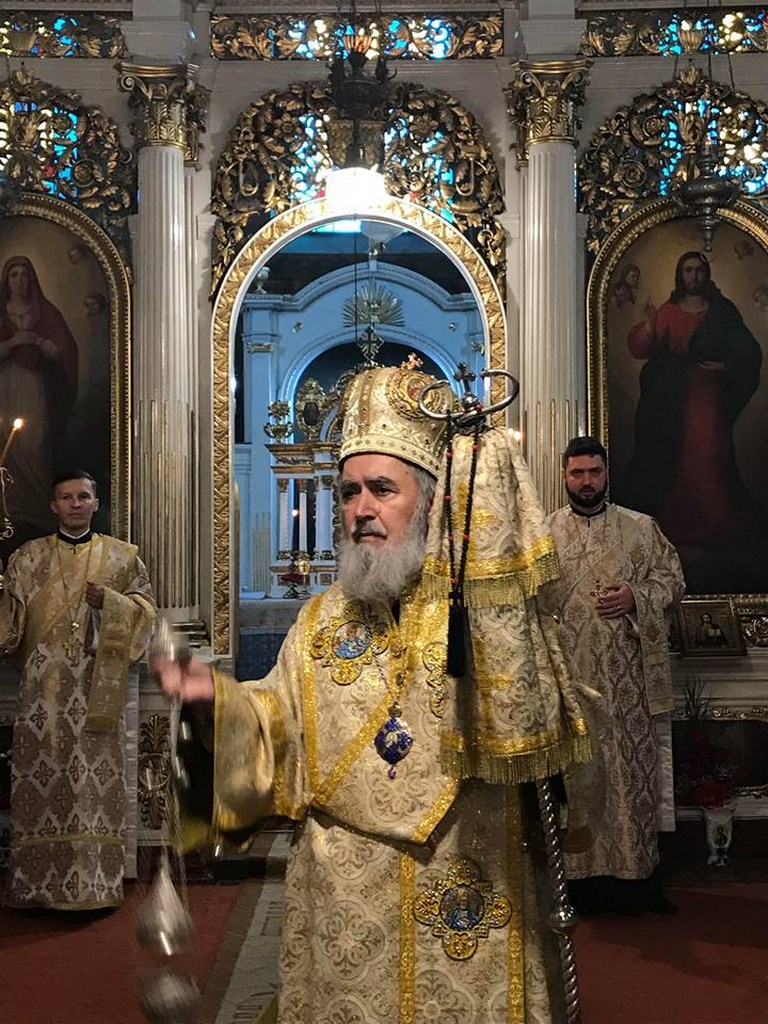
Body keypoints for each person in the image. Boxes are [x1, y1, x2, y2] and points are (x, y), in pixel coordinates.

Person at [154, 361, 593, 1024]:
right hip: (345, 897)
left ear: (433, 500)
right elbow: (276, 722)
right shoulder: (320, 620)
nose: (361, 509)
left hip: (470, 880)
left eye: (382, 489)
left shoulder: (488, 619)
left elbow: (556, 741)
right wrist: (218, 704)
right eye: (349, 491)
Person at [0, 470, 156, 910]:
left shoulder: (122, 558)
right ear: (54, 505)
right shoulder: (27, 558)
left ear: (95, 503)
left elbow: (146, 612)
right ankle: (38, 886)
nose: (75, 504)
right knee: (44, 780)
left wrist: (112, 602)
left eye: (83, 497)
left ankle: (95, 885)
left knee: (90, 785)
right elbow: (9, 627)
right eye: (66, 497)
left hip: (94, 690)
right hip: (42, 693)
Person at [542, 436, 685, 916]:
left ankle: (637, 884)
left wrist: (636, 597)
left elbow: (673, 580)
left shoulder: (641, 529)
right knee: (579, 780)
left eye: (594, 472)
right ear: (564, 476)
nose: (586, 482)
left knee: (628, 777)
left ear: (607, 474)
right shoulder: (544, 534)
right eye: (577, 473)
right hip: (570, 685)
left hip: (628, 687)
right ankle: (577, 886)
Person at [626, 251, 763, 583]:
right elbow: (640, 348)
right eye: (688, 270)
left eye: (699, 270)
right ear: (680, 274)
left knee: (711, 455)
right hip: (669, 400)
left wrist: (726, 366)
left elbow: (748, 351)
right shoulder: (669, 310)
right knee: (674, 457)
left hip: (708, 397)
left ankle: (717, 526)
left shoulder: (721, 311)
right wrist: (650, 324)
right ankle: (678, 528)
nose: (694, 276)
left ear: (707, 274)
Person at [0, 255, 79, 551]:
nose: (19, 280)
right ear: (6, 280)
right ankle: (10, 508)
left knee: (34, 444)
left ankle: (35, 509)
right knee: (7, 446)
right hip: (5, 385)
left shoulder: (45, 312)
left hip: (34, 387)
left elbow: (65, 351)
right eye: (14, 275)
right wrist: (12, 344)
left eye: (24, 275)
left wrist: (40, 343)